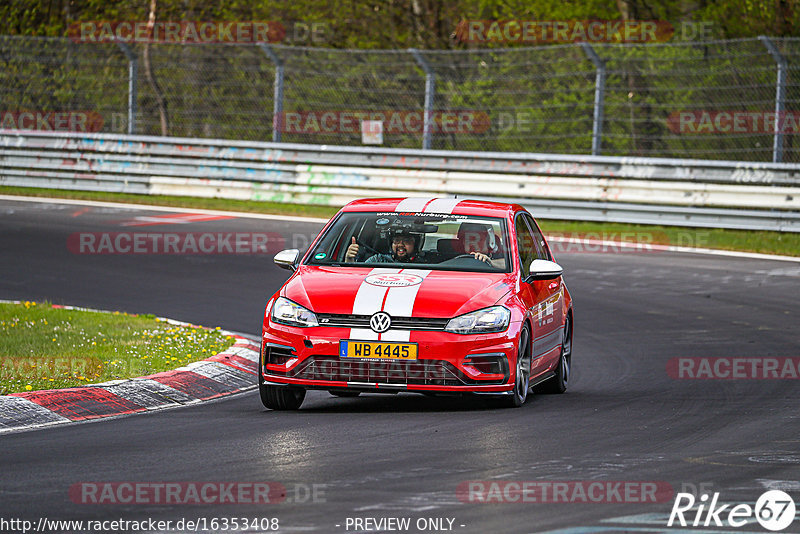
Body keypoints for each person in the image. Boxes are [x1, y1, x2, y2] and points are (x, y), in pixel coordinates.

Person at [345, 231, 423, 263]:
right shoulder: (378, 260)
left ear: (415, 244)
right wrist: (349, 259)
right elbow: (356, 276)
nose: (400, 244)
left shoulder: (425, 263)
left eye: (406, 241)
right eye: (396, 241)